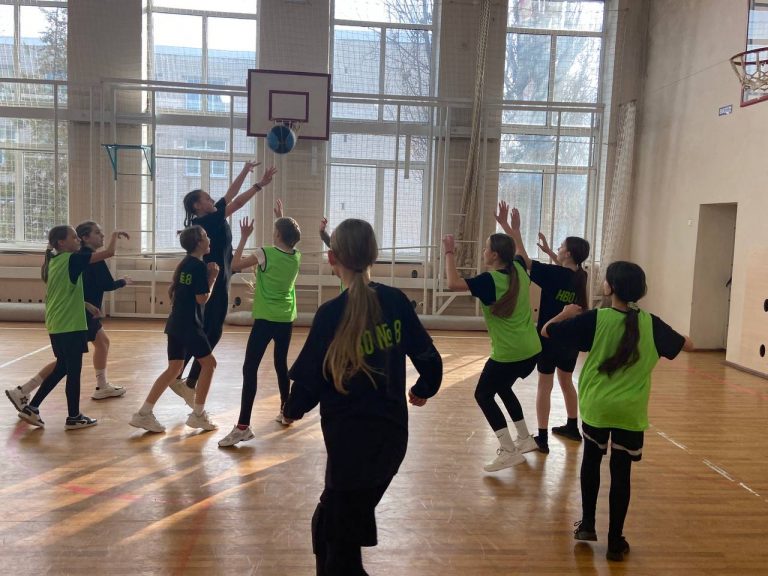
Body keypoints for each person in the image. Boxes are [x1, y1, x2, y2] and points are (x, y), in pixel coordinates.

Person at [283, 219, 442, 576]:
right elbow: (430, 360)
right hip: (390, 442)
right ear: (373, 255)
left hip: (350, 450)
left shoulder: (330, 314)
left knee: (337, 548)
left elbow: (308, 384)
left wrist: (291, 410)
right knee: (330, 530)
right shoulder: (396, 302)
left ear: (331, 259)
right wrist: (423, 389)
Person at [542, 261, 693, 562]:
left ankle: (587, 525)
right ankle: (615, 541)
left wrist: (565, 314)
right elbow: (688, 345)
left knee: (591, 461)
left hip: (597, 407)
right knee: (622, 474)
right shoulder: (650, 323)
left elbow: (548, 332)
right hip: (630, 412)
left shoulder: (595, 319)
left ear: (609, 287)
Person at [170, 162, 278, 405]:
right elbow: (236, 202)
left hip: (222, 277)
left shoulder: (209, 216)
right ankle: (183, 379)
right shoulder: (207, 222)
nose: (212, 199)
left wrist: (245, 171)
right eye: (207, 198)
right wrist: (259, 184)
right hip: (214, 280)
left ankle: (183, 378)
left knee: (208, 331)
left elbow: (230, 194)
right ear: (197, 205)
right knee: (211, 332)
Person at [5, 221, 133, 412]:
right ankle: (29, 393)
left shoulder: (61, 259)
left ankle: (100, 386)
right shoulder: (79, 258)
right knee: (65, 363)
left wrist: (86, 304)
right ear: (83, 238)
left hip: (77, 313)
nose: (102, 235)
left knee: (100, 344)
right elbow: (107, 277)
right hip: (74, 317)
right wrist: (122, 280)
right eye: (97, 232)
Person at [495, 201, 590, 453]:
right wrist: (549, 251)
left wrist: (513, 229)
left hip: (549, 338)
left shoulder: (553, 275)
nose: (558, 248)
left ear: (568, 253)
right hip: (571, 341)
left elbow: (525, 260)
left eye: (561, 247)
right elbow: (562, 271)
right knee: (567, 382)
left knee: (544, 387)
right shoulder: (581, 275)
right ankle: (573, 427)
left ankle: (543, 438)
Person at [442, 232, 541, 472]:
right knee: (503, 387)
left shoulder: (490, 281)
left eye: (486, 248)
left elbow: (453, 283)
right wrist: (511, 227)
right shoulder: (519, 269)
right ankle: (525, 438)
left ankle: (509, 451)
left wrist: (449, 251)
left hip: (509, 353)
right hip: (531, 349)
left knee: (483, 395)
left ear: (495, 255)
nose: (483, 252)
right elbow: (519, 250)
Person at [218, 201, 302, 447]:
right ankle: (286, 411)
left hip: (266, 319)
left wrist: (244, 237)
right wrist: (281, 217)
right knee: (280, 364)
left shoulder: (265, 253)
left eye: (275, 230)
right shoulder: (296, 256)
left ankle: (243, 426)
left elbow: (234, 265)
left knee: (250, 369)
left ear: (277, 235)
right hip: (286, 318)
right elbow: (286, 241)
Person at [129, 226, 219, 433]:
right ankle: (198, 415)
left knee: (175, 368)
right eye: (206, 236)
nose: (209, 239)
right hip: (189, 325)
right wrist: (212, 278)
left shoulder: (185, 263)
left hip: (176, 323)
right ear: (198, 243)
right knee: (209, 364)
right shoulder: (198, 266)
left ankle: (143, 413)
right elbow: (202, 298)